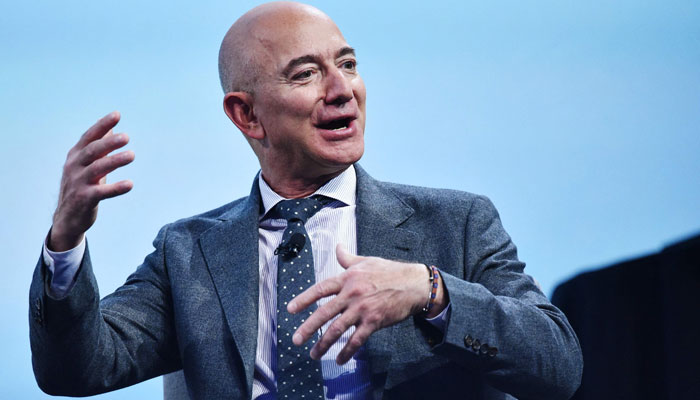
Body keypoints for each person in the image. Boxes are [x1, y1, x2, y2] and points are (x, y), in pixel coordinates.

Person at [29, 2, 582, 399]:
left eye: (347, 63)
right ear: (247, 115)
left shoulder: (456, 223)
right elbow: (76, 371)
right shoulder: (189, 251)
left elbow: (558, 365)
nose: (342, 89)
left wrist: (429, 289)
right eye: (308, 74)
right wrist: (65, 242)